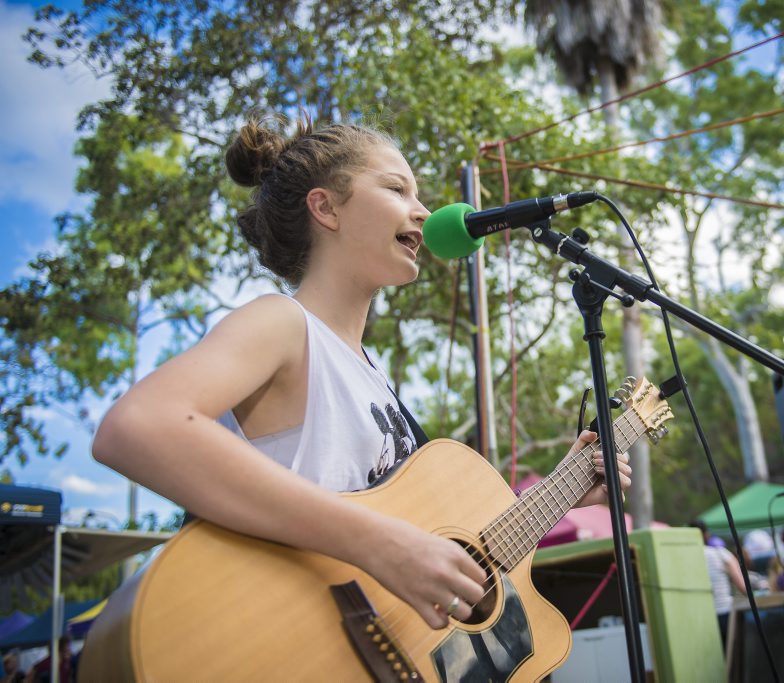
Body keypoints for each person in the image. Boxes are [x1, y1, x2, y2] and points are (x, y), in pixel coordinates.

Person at [91, 114, 631, 635]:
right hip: (277, 638)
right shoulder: (284, 322)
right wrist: (384, 545)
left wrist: (562, 489)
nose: (421, 210)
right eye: (397, 189)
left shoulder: (371, 376)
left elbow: (432, 546)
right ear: (326, 208)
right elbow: (137, 427)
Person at [691, 519, 747, 647]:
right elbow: (742, 586)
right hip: (725, 613)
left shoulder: (688, 558)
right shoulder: (720, 553)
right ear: (706, 534)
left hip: (703, 619)